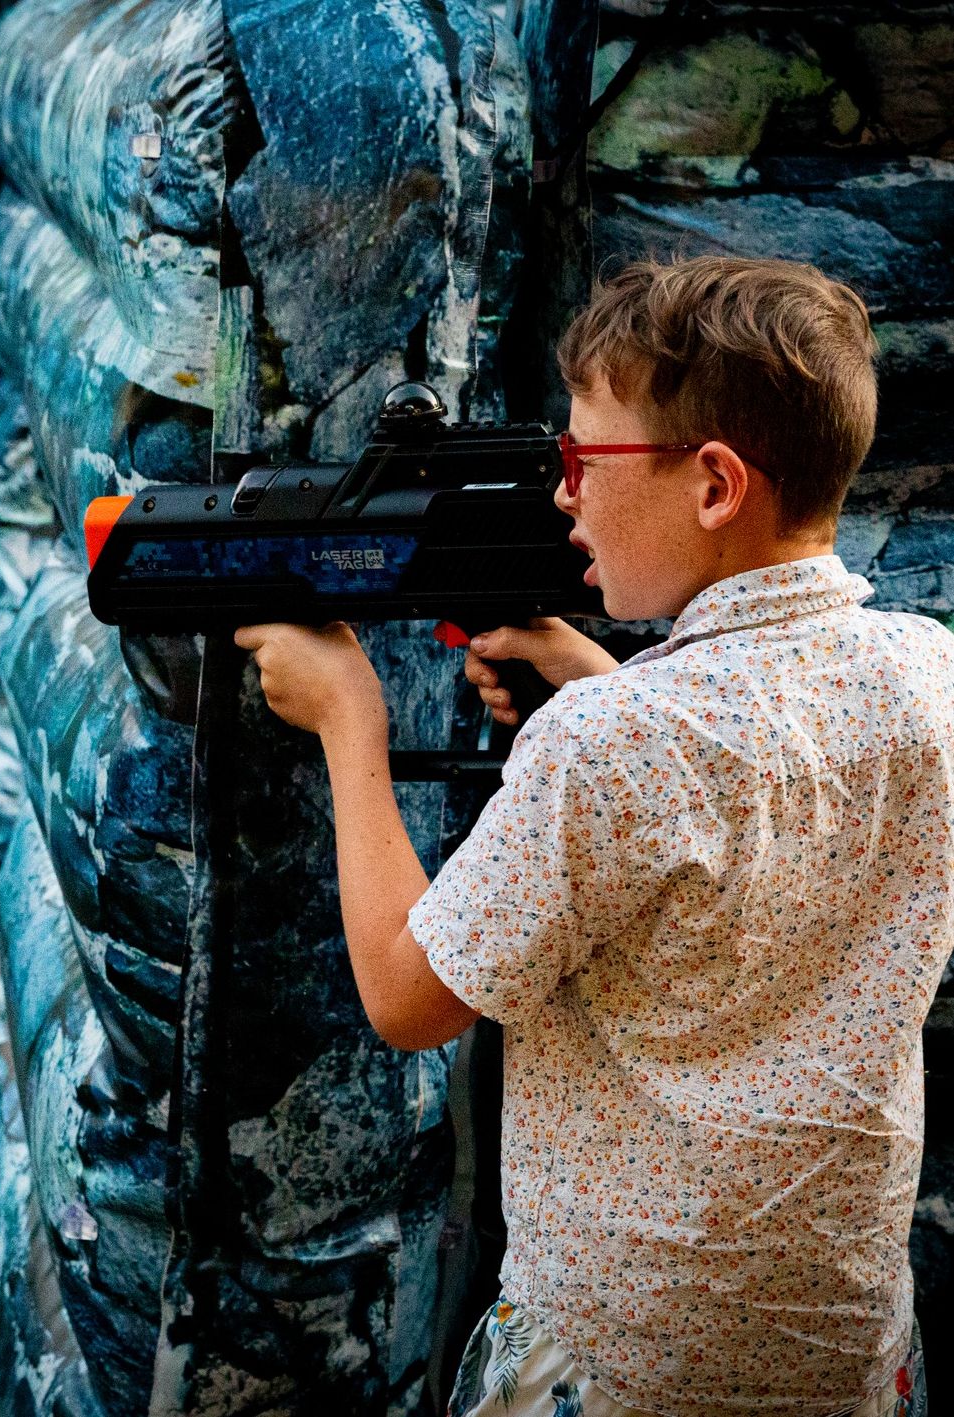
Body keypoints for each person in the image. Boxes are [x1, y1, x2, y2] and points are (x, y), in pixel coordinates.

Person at [234, 256, 950, 1417]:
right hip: (844, 1350)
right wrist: (605, 682)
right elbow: (741, 799)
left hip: (613, 1363)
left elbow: (410, 999)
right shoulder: (928, 675)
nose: (563, 497)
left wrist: (348, 720)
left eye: (581, 463)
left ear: (713, 484)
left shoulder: (606, 743)